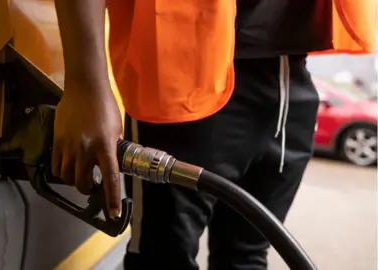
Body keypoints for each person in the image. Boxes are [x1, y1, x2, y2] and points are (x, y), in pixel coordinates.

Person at [51, 0, 376, 269]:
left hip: (292, 79)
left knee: (247, 256)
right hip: (181, 81)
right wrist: (86, 84)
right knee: (163, 259)